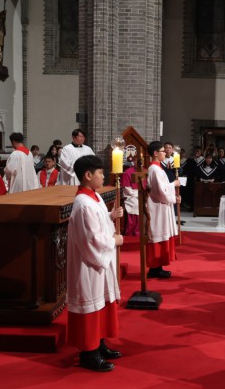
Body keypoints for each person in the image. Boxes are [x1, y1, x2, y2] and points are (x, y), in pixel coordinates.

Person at [66, 155, 124, 372]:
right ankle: (88, 354)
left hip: (99, 262)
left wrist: (111, 215)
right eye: (100, 172)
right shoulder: (83, 203)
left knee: (102, 303)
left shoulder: (94, 197)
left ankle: (98, 344)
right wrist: (115, 241)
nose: (103, 176)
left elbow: (97, 224)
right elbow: (91, 238)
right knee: (91, 304)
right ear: (88, 175)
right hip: (90, 263)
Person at [146, 141, 180, 278]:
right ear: (155, 153)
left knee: (162, 237)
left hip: (162, 206)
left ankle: (158, 267)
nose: (165, 153)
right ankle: (154, 269)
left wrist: (174, 197)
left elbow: (163, 189)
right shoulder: (154, 169)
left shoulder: (158, 168)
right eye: (162, 151)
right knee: (157, 237)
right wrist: (174, 184)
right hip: (157, 208)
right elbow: (161, 191)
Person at [121, 159, 139, 236]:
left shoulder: (145, 171)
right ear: (134, 161)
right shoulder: (128, 172)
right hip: (130, 196)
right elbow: (127, 189)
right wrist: (138, 193)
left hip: (141, 194)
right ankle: (133, 230)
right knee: (136, 204)